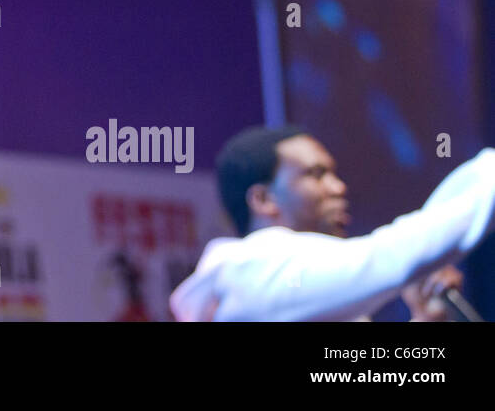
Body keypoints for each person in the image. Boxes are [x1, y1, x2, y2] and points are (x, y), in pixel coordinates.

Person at [170, 125, 495, 321]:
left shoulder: (298, 289)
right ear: (264, 200)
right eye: (315, 174)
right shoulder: (248, 272)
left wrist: (425, 320)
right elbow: (388, 258)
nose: (338, 188)